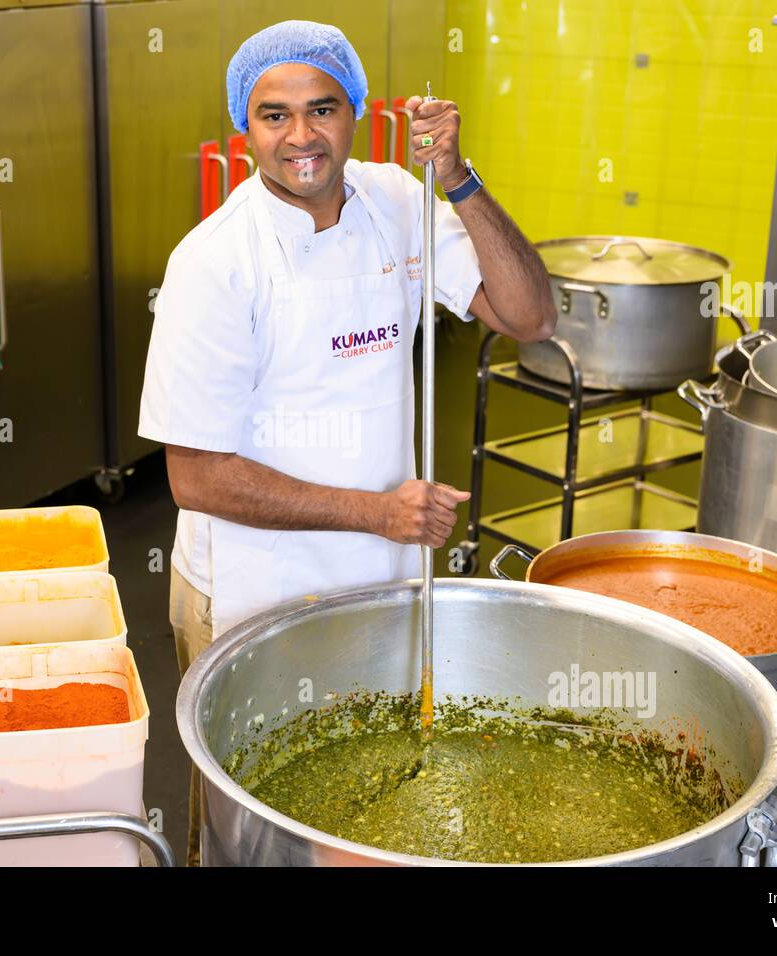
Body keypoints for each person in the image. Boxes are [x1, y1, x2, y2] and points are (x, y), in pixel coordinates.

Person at [139, 19, 555, 865]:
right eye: (274, 115)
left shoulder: (397, 202)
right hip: (254, 587)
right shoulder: (213, 263)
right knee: (250, 814)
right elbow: (196, 477)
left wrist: (459, 182)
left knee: (370, 787)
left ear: (356, 112)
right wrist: (375, 511)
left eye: (321, 108)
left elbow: (529, 317)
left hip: (383, 569)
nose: (301, 136)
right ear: (243, 128)